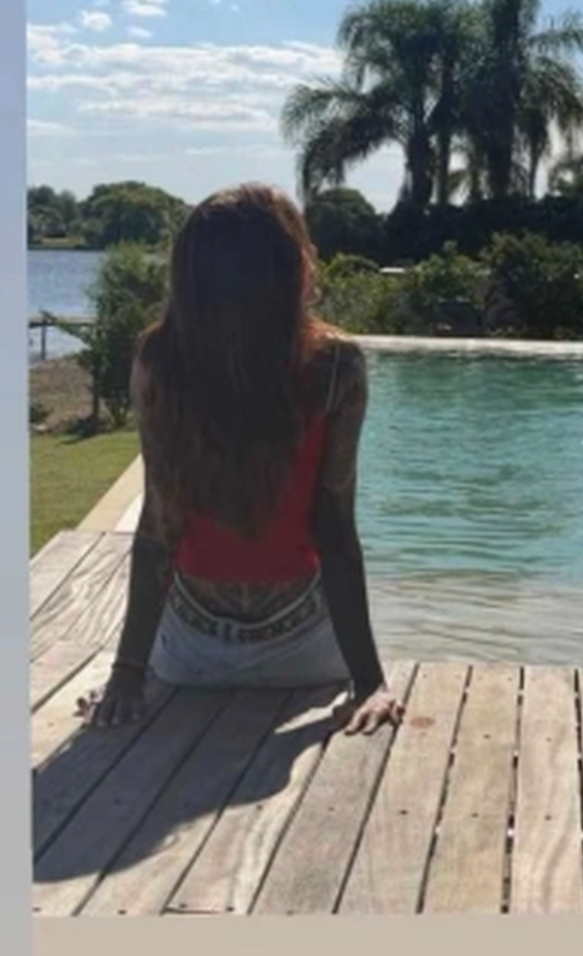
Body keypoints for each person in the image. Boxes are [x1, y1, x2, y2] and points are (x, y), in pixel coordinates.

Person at [77, 184, 405, 738]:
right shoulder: (337, 366)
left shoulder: (159, 363)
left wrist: (128, 673)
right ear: (290, 269)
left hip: (188, 654)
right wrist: (369, 682)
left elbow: (158, 528)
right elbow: (334, 530)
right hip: (305, 650)